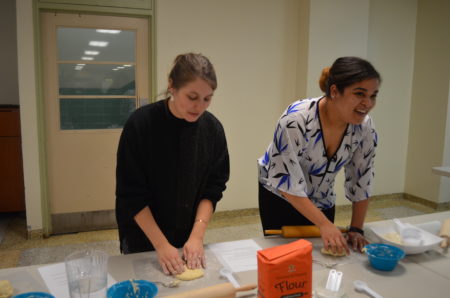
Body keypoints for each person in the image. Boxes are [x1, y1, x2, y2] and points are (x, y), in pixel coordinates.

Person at [116, 53, 230, 275]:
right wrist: (161, 245)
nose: (199, 106)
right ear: (172, 86)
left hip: (187, 232)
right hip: (143, 234)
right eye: (192, 96)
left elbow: (213, 188)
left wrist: (197, 236)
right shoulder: (141, 125)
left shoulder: (212, 129)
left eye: (207, 98)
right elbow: (131, 194)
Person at [258, 56, 381, 255]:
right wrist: (324, 224)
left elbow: (362, 178)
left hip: (322, 197)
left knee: (324, 257)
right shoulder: (296, 119)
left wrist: (356, 228)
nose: (367, 103)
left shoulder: (364, 127)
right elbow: (285, 180)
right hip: (281, 196)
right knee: (284, 258)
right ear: (334, 91)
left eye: (373, 95)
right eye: (359, 94)